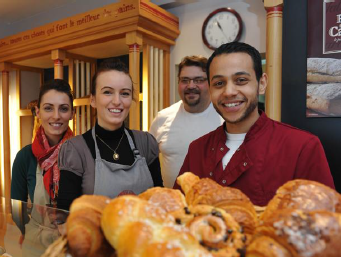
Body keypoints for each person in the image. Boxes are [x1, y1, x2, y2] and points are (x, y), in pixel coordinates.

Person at [175, 42, 335, 206]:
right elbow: (179, 214)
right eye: (219, 83)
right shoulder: (197, 149)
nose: (229, 92)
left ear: (262, 83)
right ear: (210, 89)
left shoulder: (302, 147)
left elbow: (325, 221)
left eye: (241, 80)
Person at [57, 59, 163, 210]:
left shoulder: (145, 143)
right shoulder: (76, 150)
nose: (117, 101)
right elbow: (65, 216)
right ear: (92, 100)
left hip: (144, 232)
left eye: (125, 93)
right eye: (108, 92)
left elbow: (160, 201)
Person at [11, 79, 74, 256]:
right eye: (48, 108)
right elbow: (16, 208)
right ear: (37, 112)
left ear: (72, 113)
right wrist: (28, 232)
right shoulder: (25, 157)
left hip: (72, 245)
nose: (56, 116)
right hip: (36, 244)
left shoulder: (82, 153)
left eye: (63, 108)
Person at [149, 55, 223, 188]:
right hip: (173, 205)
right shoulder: (162, 118)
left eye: (198, 80)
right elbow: (147, 163)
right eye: (185, 80)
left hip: (213, 204)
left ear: (210, 83)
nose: (191, 86)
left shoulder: (225, 119)